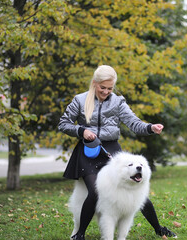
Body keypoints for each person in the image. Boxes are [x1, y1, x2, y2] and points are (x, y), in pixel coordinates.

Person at [58, 65, 177, 240]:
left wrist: (150, 127)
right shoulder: (80, 100)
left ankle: (159, 228)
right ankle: (79, 234)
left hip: (111, 150)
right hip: (88, 150)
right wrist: (81, 131)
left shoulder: (118, 101)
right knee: (96, 191)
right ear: (94, 83)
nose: (106, 91)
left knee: (136, 189)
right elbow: (63, 123)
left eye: (110, 88)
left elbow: (134, 123)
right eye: (102, 87)